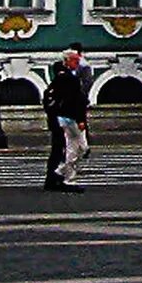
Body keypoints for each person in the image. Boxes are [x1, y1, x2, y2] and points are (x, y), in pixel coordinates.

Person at [41, 47, 90, 191]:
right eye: (75, 60)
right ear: (67, 61)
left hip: (58, 119)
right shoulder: (70, 79)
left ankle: (54, 177)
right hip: (67, 120)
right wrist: (80, 120)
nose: (77, 63)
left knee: (60, 149)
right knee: (71, 149)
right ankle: (62, 178)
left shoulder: (59, 77)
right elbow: (75, 101)